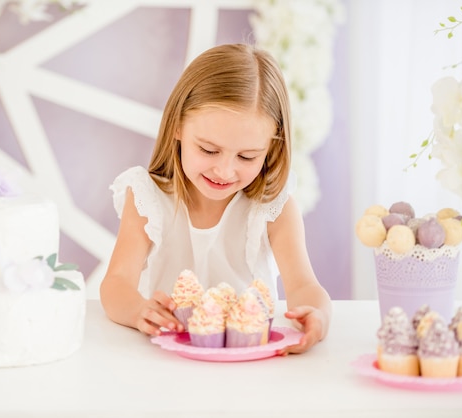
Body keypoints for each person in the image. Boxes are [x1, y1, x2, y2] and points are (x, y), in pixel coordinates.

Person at [100, 43, 331, 355]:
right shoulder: (147, 197)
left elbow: (304, 285)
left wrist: (317, 316)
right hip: (164, 361)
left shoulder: (273, 207)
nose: (224, 170)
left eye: (247, 156)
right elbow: (116, 285)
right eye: (208, 150)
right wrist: (138, 310)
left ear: (272, 148)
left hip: (248, 362)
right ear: (178, 127)